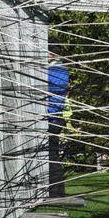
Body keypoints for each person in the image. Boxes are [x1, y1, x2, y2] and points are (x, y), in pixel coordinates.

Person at [47, 56, 71, 198]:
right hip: (57, 116)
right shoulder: (62, 70)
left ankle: (55, 192)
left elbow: (51, 96)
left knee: (51, 154)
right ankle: (56, 190)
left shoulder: (53, 71)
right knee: (53, 153)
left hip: (51, 117)